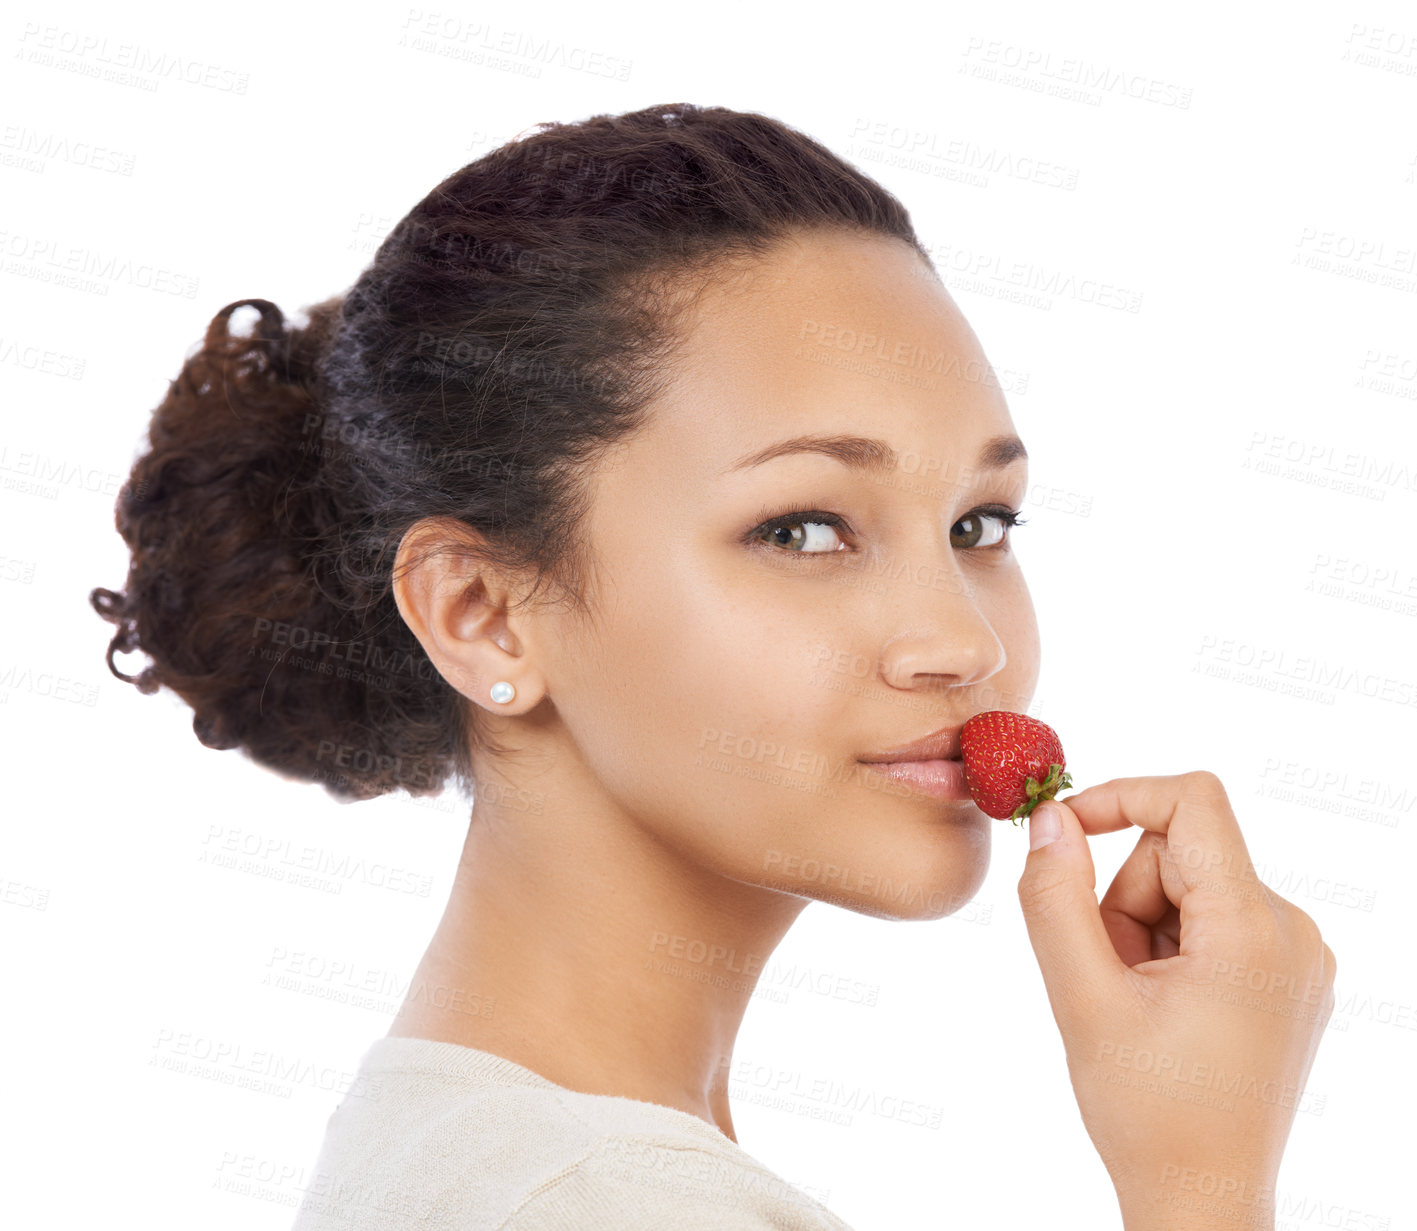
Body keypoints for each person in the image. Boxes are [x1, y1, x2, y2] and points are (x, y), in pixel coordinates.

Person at [90, 102, 1335, 1230]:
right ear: (481, 612)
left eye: (980, 525)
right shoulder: (597, 1202)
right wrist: (1202, 1184)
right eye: (802, 529)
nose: (968, 642)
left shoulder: (474, 1143)